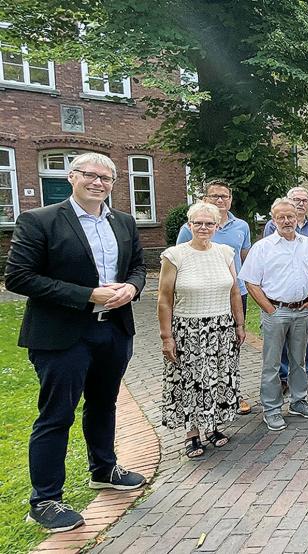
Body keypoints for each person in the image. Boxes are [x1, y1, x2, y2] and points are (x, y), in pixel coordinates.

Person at [6, 152, 147, 533]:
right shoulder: (40, 221)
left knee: (104, 404)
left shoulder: (124, 221)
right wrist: (87, 294)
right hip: (63, 335)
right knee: (57, 415)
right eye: (90, 175)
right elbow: (18, 278)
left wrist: (131, 288)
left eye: (106, 178)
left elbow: (137, 266)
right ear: (73, 177)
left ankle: (104, 469)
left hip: (113, 329)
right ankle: (45, 499)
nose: (98, 182)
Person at [159, 202, 246, 458]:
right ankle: (192, 433)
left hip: (221, 326)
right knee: (193, 382)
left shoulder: (226, 252)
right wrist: (167, 337)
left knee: (218, 377)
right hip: (189, 329)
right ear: (189, 225)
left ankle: (214, 427)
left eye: (209, 223)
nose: (204, 228)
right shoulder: (174, 255)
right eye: (198, 223)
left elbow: (233, 291)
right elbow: (164, 299)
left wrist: (239, 324)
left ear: (217, 226)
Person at [240, 198, 308, 432]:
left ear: (297, 217)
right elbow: (251, 282)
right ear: (273, 219)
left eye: (290, 216)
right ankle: (272, 409)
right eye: (281, 217)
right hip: (276, 311)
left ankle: (298, 401)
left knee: (299, 361)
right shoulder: (263, 247)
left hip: (302, 311)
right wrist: (269, 309)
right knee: (272, 364)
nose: (287, 221)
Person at [177, 179, 253, 415]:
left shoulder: (241, 226)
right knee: (199, 351)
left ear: (231, 199)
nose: (220, 200)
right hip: (200, 299)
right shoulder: (189, 228)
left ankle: (231, 394)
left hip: (234, 295)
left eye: (225, 196)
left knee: (231, 347)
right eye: (214, 196)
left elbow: (244, 257)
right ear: (205, 199)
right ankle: (201, 396)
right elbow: (180, 260)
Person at [263, 187, 308, 387]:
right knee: (279, 342)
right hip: (279, 300)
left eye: (305, 200)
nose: (301, 203)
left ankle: (306, 371)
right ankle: (283, 377)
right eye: (297, 199)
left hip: (306, 293)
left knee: (305, 335)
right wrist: (269, 307)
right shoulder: (271, 228)